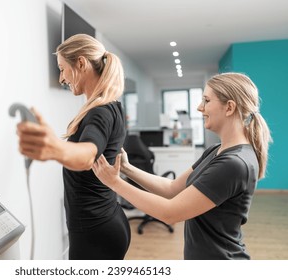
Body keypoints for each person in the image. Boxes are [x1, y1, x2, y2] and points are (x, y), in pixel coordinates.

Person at [92, 72, 272, 260]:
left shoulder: (234, 164)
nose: (199, 107)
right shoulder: (216, 150)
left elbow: (170, 213)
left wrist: (115, 183)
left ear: (229, 107)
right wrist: (127, 168)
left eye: (206, 100)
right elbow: (172, 189)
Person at [16, 34, 130, 260]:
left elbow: (88, 154)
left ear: (80, 63)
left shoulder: (99, 113)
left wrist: (55, 148)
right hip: (108, 220)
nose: (61, 78)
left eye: (62, 68)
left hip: (95, 232)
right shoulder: (112, 107)